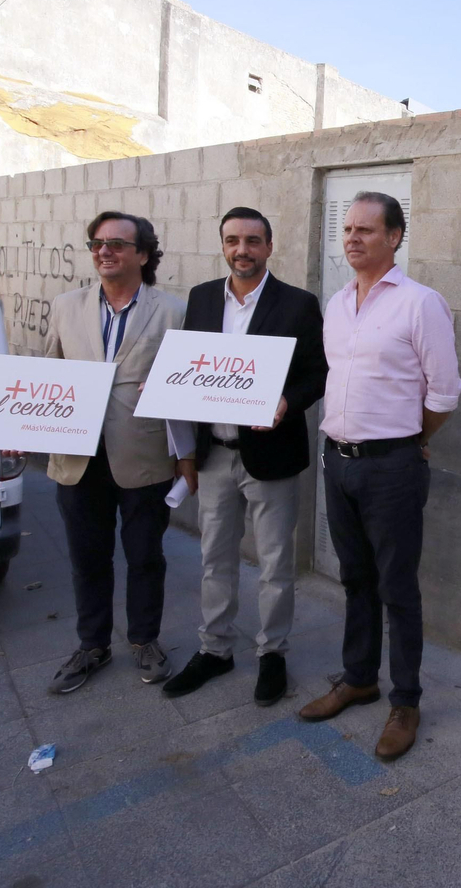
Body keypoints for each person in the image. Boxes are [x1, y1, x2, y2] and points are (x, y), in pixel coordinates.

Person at [297, 191, 461, 761]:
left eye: (367, 230)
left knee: (397, 587)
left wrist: (411, 440)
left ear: (395, 237)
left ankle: (406, 701)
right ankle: (358, 678)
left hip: (392, 465)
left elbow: (444, 393)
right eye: (347, 229)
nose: (353, 238)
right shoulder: (338, 305)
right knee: (354, 578)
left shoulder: (420, 304)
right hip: (337, 462)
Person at [161, 207, 328, 705]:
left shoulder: (297, 303)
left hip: (271, 452)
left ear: (269, 247)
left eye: (253, 241)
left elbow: (318, 372)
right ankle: (215, 650)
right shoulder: (202, 298)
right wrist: (167, 388)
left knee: (275, 563)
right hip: (215, 454)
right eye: (233, 240)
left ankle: (272, 653)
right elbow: (191, 367)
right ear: (223, 245)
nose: (243, 250)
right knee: (214, 558)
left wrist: (287, 402)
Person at [44, 211, 195, 695]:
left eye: (116, 243)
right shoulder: (66, 306)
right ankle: (92, 645)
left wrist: (186, 457)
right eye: (96, 243)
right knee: (88, 558)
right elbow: (50, 374)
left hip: (144, 455)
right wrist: (22, 426)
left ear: (143, 254)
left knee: (145, 556)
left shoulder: (173, 311)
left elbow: (187, 386)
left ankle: (144, 640)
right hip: (77, 457)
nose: (103, 251)